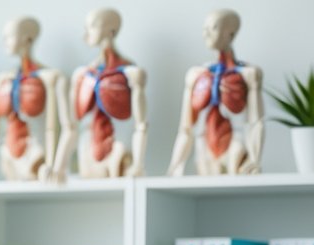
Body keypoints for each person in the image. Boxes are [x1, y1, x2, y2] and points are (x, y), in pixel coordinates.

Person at [0, 17, 70, 183]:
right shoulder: (1, 81)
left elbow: (52, 128)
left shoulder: (49, 78)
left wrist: (52, 164)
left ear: (28, 39)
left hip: (36, 156)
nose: (5, 41)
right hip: (8, 158)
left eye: (10, 36)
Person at [166, 9, 264, 176]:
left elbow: (255, 122)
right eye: (204, 29)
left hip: (235, 145)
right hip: (204, 147)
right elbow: (186, 128)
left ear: (231, 34)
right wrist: (175, 165)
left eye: (213, 28)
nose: (206, 34)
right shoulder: (195, 74)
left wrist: (255, 159)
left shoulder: (248, 73)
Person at [60, 7, 148, 180]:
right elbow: (71, 126)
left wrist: (138, 164)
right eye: (86, 27)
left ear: (111, 30)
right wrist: (59, 166)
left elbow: (141, 124)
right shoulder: (82, 74)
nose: (86, 33)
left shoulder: (130, 73)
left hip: (117, 151)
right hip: (87, 152)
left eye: (92, 26)